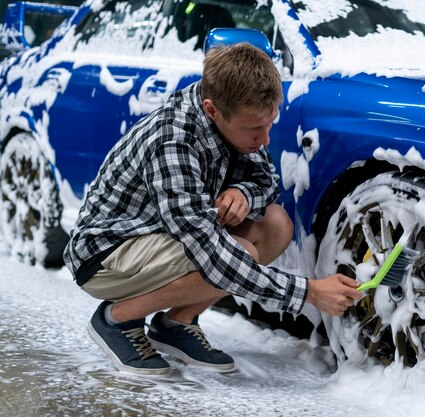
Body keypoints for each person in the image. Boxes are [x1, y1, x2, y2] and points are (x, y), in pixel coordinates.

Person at [63, 43, 362, 375]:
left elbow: (266, 180)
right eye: (254, 130)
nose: (264, 139)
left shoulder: (238, 118)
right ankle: (116, 319)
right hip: (106, 256)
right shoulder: (172, 140)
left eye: (270, 125)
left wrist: (244, 193)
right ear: (211, 110)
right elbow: (213, 255)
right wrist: (309, 291)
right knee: (238, 254)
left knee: (275, 224)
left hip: (163, 237)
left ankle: (176, 324)